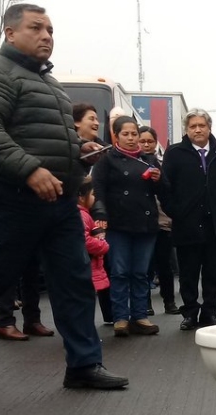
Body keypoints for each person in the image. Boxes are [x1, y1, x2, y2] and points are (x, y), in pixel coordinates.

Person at [0, 3, 128, 390]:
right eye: (36, 28)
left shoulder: (50, 83)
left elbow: (48, 137)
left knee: (74, 281)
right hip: (12, 193)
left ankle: (84, 365)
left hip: (60, 199)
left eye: (51, 30)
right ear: (10, 33)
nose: (46, 36)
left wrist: (78, 153)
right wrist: (30, 169)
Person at [159, 109, 216, 331]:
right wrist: (176, 212)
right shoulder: (175, 153)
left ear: (209, 127)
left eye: (201, 125)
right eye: (193, 126)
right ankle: (190, 313)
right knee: (188, 273)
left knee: (213, 272)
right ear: (186, 129)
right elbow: (166, 189)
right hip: (187, 223)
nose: (197, 129)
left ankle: (210, 312)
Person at [91, 116, 163, 337]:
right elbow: (98, 190)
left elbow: (165, 192)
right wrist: (100, 216)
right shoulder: (106, 160)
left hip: (146, 224)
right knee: (120, 272)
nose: (131, 139)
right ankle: (120, 317)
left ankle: (140, 316)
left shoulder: (149, 160)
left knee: (141, 273)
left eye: (134, 134)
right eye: (126, 134)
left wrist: (159, 179)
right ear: (116, 136)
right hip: (118, 224)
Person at [138, 125, 179, 315]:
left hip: (163, 222)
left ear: (155, 143)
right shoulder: (131, 162)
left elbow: (169, 190)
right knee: (144, 266)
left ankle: (169, 302)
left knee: (165, 266)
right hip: (140, 223)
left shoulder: (163, 162)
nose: (146, 145)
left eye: (150, 141)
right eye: (142, 141)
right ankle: (144, 304)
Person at [77, 178, 111, 323]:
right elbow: (85, 241)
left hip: (89, 266)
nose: (94, 198)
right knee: (84, 302)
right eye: (92, 195)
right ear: (81, 197)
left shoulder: (85, 214)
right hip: (86, 266)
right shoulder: (82, 216)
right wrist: (102, 244)